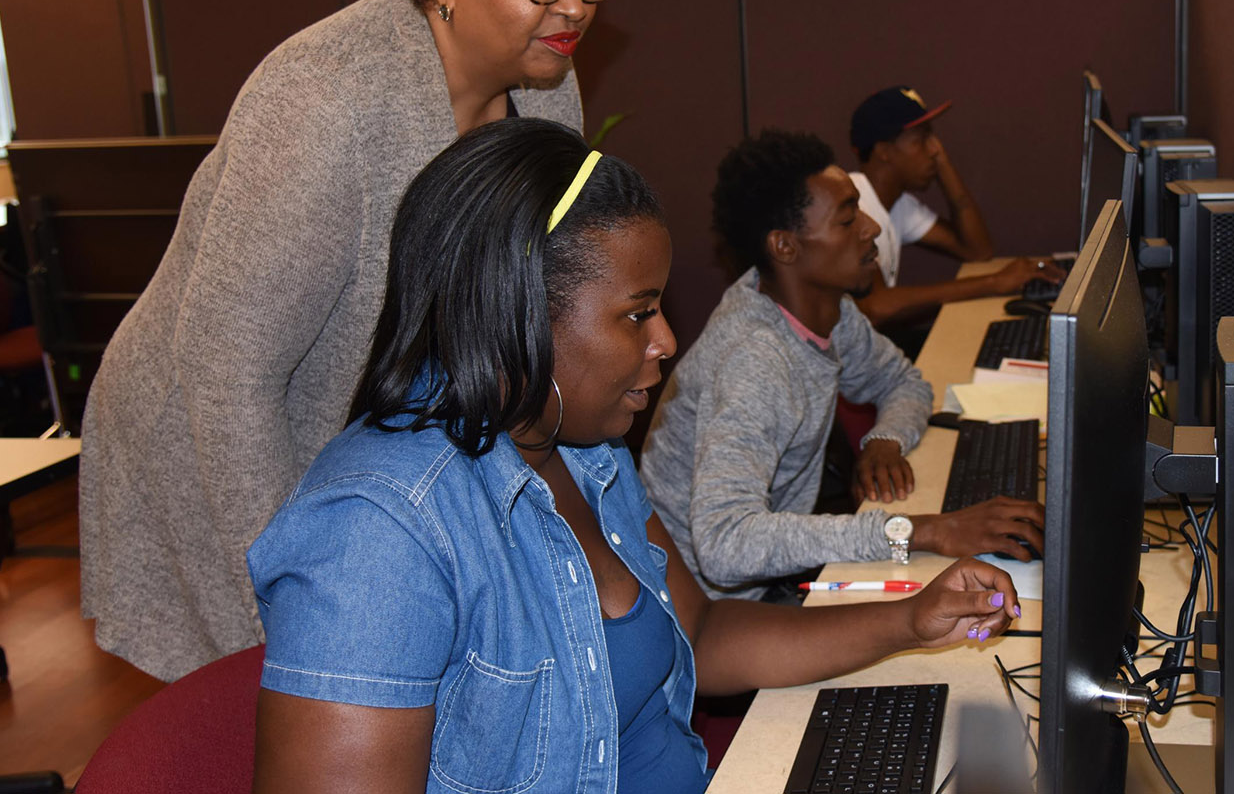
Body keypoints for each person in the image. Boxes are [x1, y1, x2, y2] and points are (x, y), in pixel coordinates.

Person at [247, 118, 1022, 794]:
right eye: (638, 313)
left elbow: (706, 633)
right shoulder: (377, 532)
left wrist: (912, 618)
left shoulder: (587, 452)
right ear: (521, 312)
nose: (667, 341)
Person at [80, 0, 623, 681]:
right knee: (283, 705)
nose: (573, 5)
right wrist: (307, 587)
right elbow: (225, 373)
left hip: (357, 424)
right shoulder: (324, 97)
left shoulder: (548, 89)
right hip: (216, 446)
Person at [638, 130, 1044, 601]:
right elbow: (726, 545)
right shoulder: (755, 360)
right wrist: (919, 531)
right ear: (785, 247)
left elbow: (903, 381)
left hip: (764, 581)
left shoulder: (826, 311)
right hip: (712, 612)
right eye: (848, 218)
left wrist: (885, 439)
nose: (871, 227)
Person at [848, 86, 1064, 329]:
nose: (934, 149)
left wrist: (944, 164)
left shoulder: (898, 204)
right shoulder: (852, 206)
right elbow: (876, 306)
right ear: (885, 151)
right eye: (921, 140)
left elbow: (976, 250)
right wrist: (994, 282)